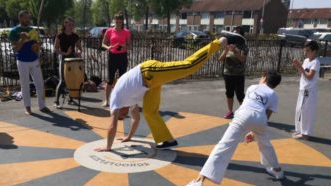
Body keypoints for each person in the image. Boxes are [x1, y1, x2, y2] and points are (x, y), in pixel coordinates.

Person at [94, 31, 245, 151]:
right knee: (148, 112)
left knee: (188, 66)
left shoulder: (115, 100)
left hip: (149, 71)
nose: (123, 115)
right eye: (123, 116)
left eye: (121, 115)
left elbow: (112, 126)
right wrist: (128, 137)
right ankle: (167, 140)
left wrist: (108, 147)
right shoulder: (126, 103)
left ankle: (220, 41)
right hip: (149, 84)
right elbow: (136, 119)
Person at [179, 71, 283, 186]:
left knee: (224, 146)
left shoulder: (253, 87)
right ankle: (277, 170)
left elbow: (247, 107)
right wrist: (254, 132)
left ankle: (199, 180)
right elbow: (266, 116)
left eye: (261, 77)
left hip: (243, 115)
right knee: (265, 144)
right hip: (260, 119)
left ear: (264, 78)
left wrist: (250, 128)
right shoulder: (273, 95)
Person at [8, 10, 50, 115]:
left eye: (29, 17)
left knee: (40, 84)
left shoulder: (33, 30)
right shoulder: (14, 31)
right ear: (20, 18)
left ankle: (42, 106)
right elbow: (16, 49)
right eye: (26, 18)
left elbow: (36, 49)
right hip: (22, 61)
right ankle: (27, 107)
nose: (28, 20)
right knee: (25, 85)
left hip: (34, 60)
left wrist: (37, 46)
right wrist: (22, 40)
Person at [292, 41, 320, 140]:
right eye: (305, 51)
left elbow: (309, 76)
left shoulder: (315, 62)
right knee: (299, 110)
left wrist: (300, 67)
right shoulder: (306, 61)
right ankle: (299, 129)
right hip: (302, 88)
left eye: (308, 51)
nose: (305, 53)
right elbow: (302, 73)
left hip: (309, 90)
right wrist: (297, 66)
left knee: (306, 111)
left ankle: (305, 133)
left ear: (314, 51)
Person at [101, 12, 131, 107]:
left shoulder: (126, 32)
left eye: (120, 21)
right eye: (116, 21)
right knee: (110, 80)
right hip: (112, 56)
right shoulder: (109, 31)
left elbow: (129, 46)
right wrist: (108, 47)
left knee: (122, 80)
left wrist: (124, 47)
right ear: (114, 21)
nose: (118, 22)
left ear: (122, 22)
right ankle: (107, 100)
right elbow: (103, 44)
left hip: (122, 57)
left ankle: (122, 101)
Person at [219, 28, 248, 119]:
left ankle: (244, 113)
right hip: (228, 74)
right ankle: (230, 112)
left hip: (239, 74)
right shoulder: (228, 45)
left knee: (240, 95)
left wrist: (235, 51)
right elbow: (220, 59)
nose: (234, 35)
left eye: (237, 33)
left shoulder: (243, 47)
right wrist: (226, 50)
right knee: (229, 93)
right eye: (233, 33)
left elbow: (242, 59)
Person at [53, 17, 82, 108]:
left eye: (72, 25)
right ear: (65, 24)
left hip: (73, 60)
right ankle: (56, 101)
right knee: (62, 80)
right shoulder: (60, 35)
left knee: (72, 79)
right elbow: (55, 49)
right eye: (69, 24)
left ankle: (71, 98)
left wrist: (78, 52)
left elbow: (80, 48)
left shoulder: (75, 36)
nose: (71, 26)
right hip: (64, 59)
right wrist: (65, 53)